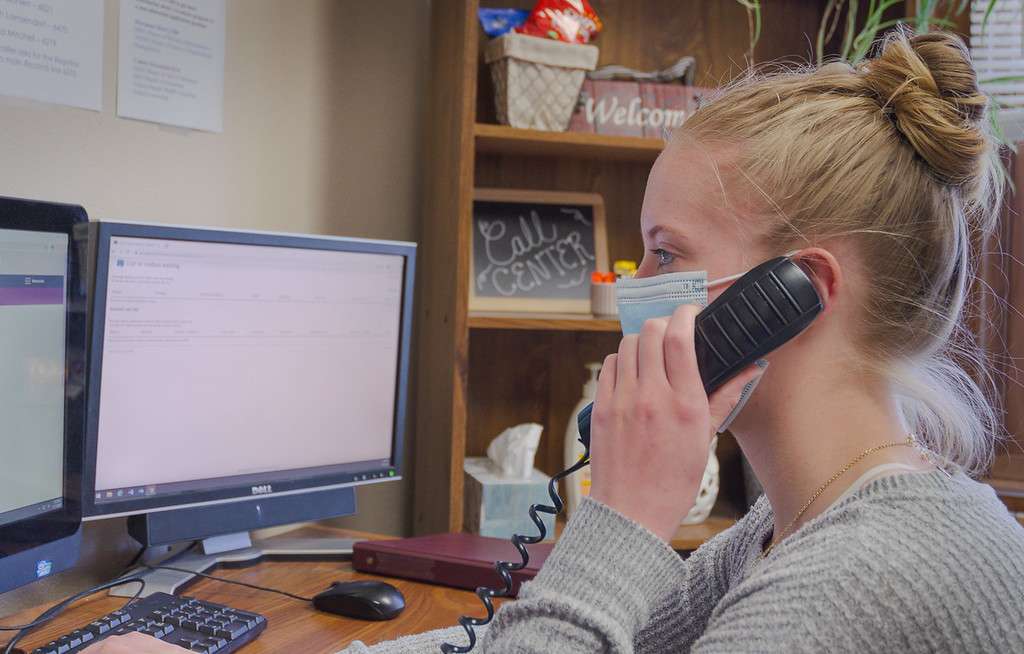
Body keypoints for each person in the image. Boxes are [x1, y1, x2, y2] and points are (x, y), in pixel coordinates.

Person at [86, 29, 1024, 654]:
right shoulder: (792, 530)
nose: (631, 286)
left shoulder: (866, 580)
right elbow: (509, 637)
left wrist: (623, 520)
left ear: (799, 294)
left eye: (666, 253)